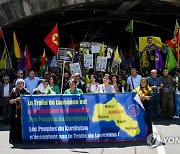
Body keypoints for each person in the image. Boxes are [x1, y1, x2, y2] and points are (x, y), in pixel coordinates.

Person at [9, 79, 30, 144]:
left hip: (23, 112)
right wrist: (16, 100)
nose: (20, 85)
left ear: (23, 84)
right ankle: (13, 139)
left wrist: (23, 101)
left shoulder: (26, 91)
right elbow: (9, 101)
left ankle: (22, 139)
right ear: (16, 84)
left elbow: (29, 102)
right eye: (19, 83)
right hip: (15, 111)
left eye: (21, 83)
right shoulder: (14, 91)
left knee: (22, 125)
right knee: (14, 125)